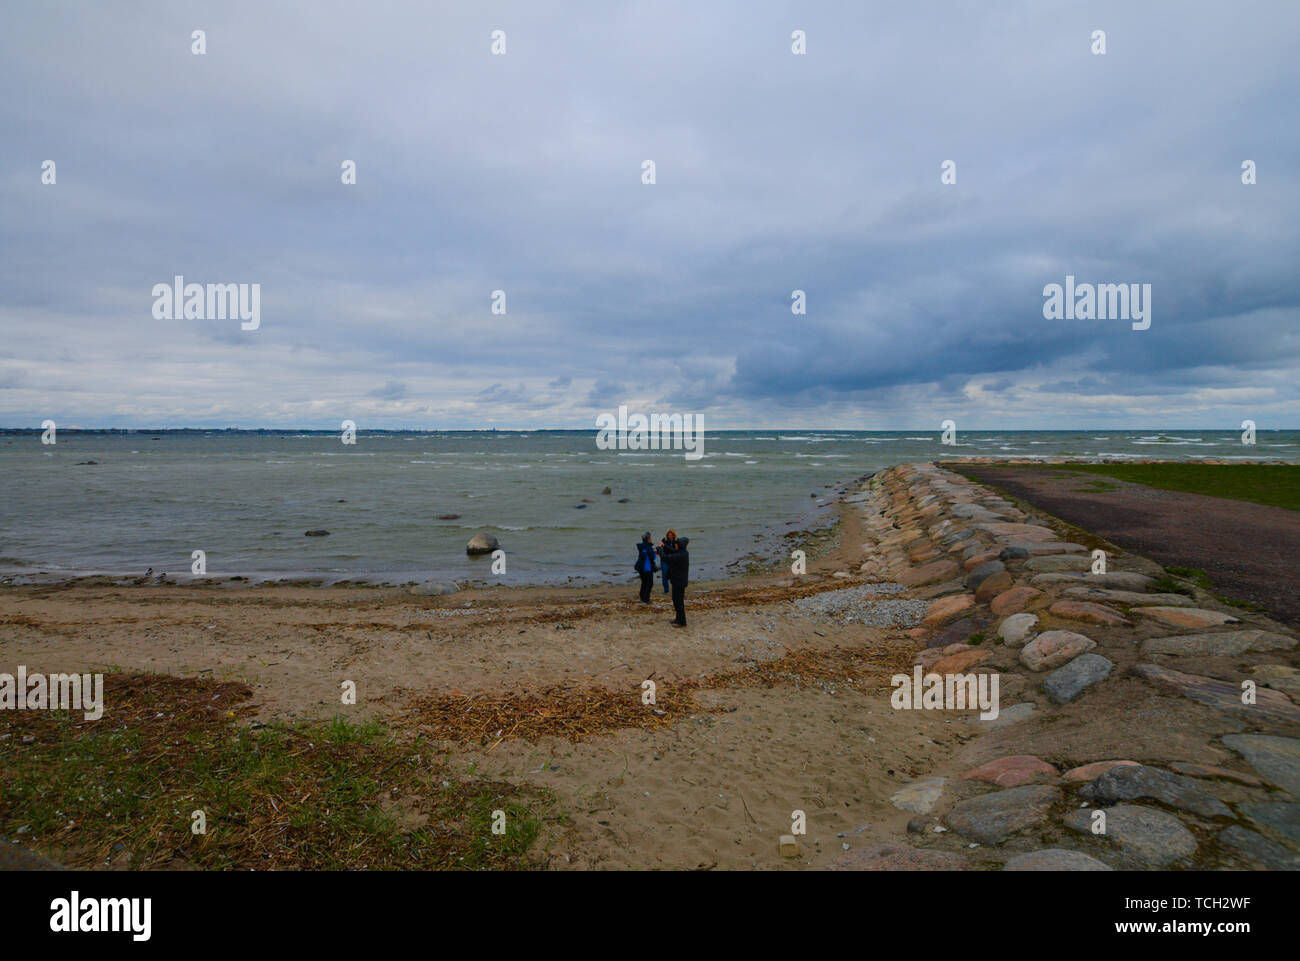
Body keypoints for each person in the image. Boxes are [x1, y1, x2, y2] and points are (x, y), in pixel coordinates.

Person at [662, 536, 690, 627]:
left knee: (679, 602)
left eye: (676, 544)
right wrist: (664, 546)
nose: (675, 545)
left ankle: (682, 622)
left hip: (679, 582)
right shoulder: (682, 553)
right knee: (676, 600)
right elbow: (673, 550)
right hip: (677, 581)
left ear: (679, 546)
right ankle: (678, 619)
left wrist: (659, 549)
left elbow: (666, 558)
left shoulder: (681, 555)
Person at [634, 532, 658, 603]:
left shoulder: (642, 546)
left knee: (644, 583)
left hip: (641, 568)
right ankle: (646, 599)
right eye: (650, 538)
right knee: (649, 583)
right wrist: (655, 551)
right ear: (648, 539)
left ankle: (642, 597)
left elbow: (647, 555)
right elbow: (652, 557)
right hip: (647, 568)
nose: (651, 539)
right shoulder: (648, 547)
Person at [656, 529, 677, 595]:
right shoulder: (664, 540)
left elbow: (675, 550)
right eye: (669, 535)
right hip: (664, 560)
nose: (670, 536)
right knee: (664, 575)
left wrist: (665, 545)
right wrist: (657, 551)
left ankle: (675, 589)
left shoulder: (676, 541)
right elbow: (659, 548)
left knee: (674, 575)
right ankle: (666, 590)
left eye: (671, 535)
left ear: (674, 535)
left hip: (673, 560)